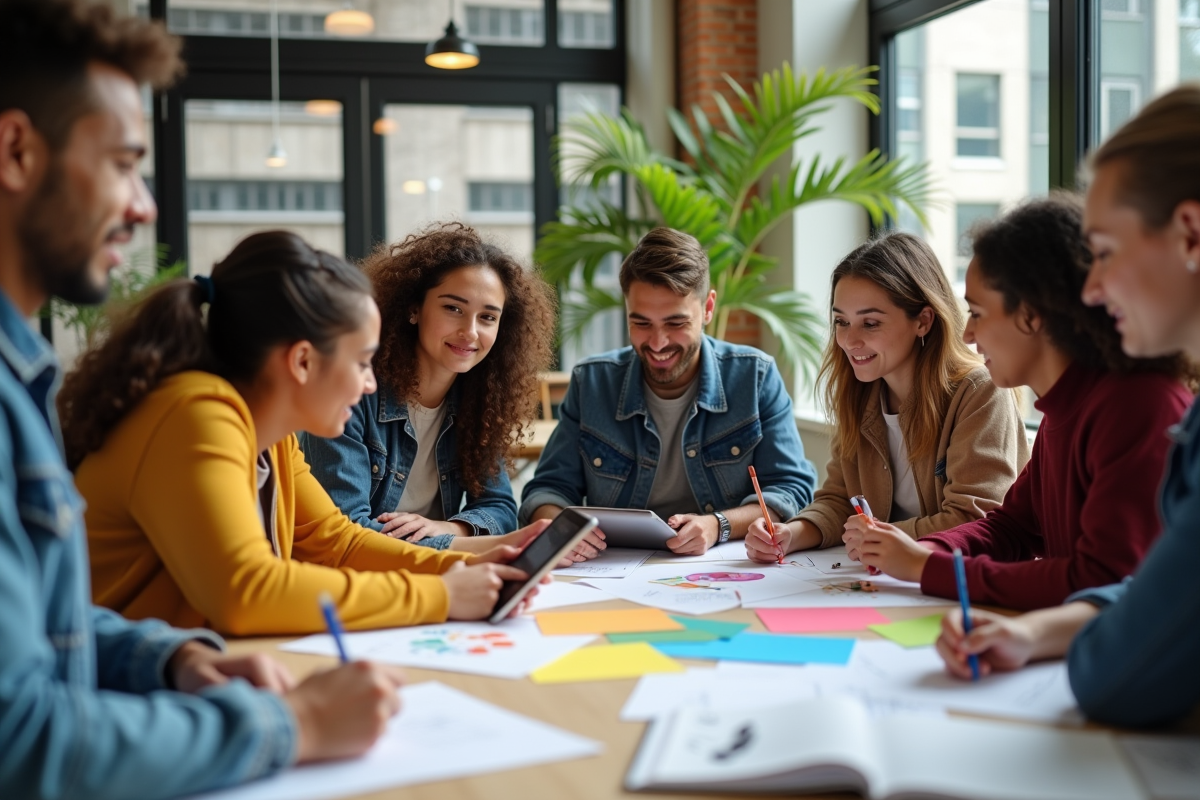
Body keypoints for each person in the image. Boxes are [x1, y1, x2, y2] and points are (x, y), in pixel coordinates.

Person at [0, 2, 406, 796]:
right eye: (123, 163)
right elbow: (22, 740)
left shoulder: (23, 381)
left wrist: (169, 660)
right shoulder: (196, 410)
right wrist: (298, 726)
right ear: (16, 150)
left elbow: (41, 640)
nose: (145, 204)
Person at [65, 231, 544, 635]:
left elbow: (338, 541)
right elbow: (248, 591)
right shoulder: (196, 414)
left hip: (188, 661)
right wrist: (439, 594)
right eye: (360, 362)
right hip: (110, 684)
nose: (371, 382)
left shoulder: (272, 435)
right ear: (301, 361)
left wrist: (468, 566)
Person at [937, 84, 1200, 728]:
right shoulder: (1070, 412)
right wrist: (1038, 633)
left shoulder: (1143, 408)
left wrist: (937, 571)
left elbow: (1114, 675)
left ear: (1191, 234)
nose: (1090, 286)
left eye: (1105, 253)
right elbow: (1141, 591)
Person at [842, 193, 1193, 611]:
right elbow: (1012, 528)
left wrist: (927, 567)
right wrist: (924, 550)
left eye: (977, 313)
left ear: (1029, 315)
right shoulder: (1062, 410)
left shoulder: (1136, 407)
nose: (968, 334)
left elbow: (1101, 579)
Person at [520, 226, 818, 556]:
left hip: (723, 565)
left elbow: (790, 488)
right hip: (612, 568)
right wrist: (561, 531)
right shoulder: (591, 382)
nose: (658, 343)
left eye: (675, 323)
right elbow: (547, 491)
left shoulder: (755, 376)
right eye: (641, 323)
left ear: (707, 308)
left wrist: (717, 525)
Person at [745, 232, 1028, 562]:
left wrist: (879, 536)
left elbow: (975, 519)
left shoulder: (980, 391)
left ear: (923, 321)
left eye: (870, 323)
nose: (849, 340)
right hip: (890, 577)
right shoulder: (859, 392)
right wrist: (791, 533)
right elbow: (841, 499)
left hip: (960, 581)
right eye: (841, 321)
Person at [300, 223, 555, 550]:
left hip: (444, 574)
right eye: (453, 308)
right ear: (413, 309)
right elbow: (347, 530)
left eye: (488, 317)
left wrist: (447, 529)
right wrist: (458, 546)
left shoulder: (479, 402)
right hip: (364, 580)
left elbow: (501, 508)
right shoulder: (350, 394)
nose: (471, 331)